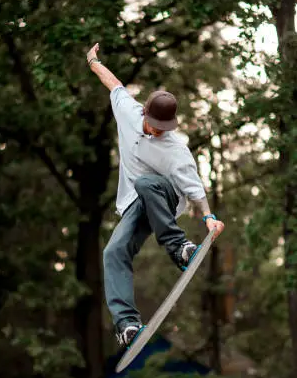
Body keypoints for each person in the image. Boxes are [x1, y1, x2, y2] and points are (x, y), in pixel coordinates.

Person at [87, 43, 225, 348]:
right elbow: (114, 84)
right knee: (113, 252)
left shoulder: (176, 150)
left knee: (148, 183)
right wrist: (93, 61)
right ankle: (127, 325)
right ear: (145, 114)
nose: (160, 132)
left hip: (166, 198)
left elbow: (194, 188)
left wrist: (209, 218)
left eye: (165, 128)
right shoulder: (128, 112)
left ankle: (179, 249)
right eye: (156, 126)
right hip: (135, 204)